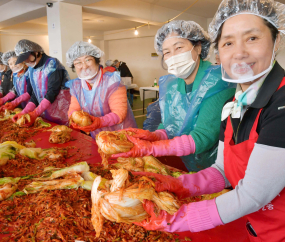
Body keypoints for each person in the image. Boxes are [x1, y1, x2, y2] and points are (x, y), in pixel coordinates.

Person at [129, 1, 285, 241]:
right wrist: (177, 185)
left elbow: (254, 194)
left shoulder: (280, 104)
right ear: (218, 51)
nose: (239, 52)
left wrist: (177, 219)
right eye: (228, 43)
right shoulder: (235, 103)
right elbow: (222, 171)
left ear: (276, 42)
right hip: (250, 223)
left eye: (252, 38)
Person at [113, 20, 235, 171]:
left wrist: (153, 148)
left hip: (219, 169)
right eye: (167, 52)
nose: (173, 56)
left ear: (197, 47)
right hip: (187, 163)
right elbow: (170, 124)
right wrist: (155, 136)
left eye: (179, 48)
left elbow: (203, 137)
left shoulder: (216, 82)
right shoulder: (172, 85)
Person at [65, 41, 137, 139]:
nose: (84, 66)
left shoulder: (112, 81)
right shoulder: (76, 85)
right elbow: (74, 109)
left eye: (88, 60)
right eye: (78, 62)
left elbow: (119, 113)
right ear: (74, 66)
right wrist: (73, 118)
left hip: (122, 135)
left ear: (97, 61)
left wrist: (98, 122)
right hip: (99, 137)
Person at [12, 39, 71, 126]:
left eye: (28, 58)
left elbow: (52, 92)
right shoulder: (32, 69)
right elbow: (35, 95)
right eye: (24, 60)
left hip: (61, 113)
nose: (27, 62)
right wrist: (24, 112)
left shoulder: (52, 64)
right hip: (46, 112)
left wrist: (35, 113)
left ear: (36, 52)